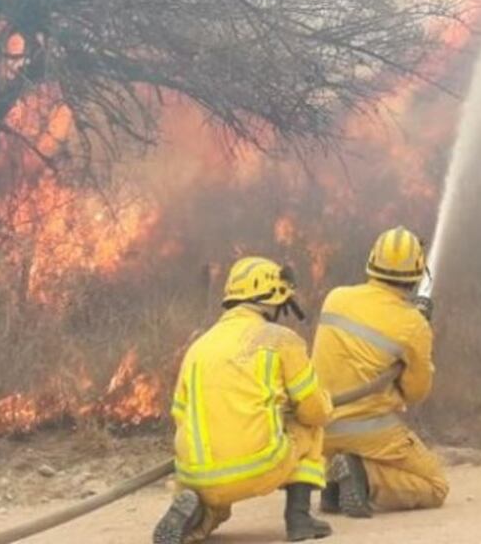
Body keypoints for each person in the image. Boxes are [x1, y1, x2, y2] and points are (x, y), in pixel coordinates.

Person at [153, 257, 334, 544]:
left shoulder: (198, 346)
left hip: (196, 474)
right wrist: (322, 405)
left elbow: (180, 414)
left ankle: (196, 519)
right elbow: (313, 410)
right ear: (274, 296)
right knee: (309, 425)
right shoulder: (281, 339)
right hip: (259, 467)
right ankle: (300, 519)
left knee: (216, 503)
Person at [312, 226, 448, 517]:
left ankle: (335, 484)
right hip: (370, 433)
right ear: (417, 273)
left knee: (342, 455)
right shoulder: (413, 325)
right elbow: (416, 392)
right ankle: (363, 476)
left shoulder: (335, 298)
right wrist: (420, 326)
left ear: (372, 262)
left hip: (321, 429)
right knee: (435, 485)